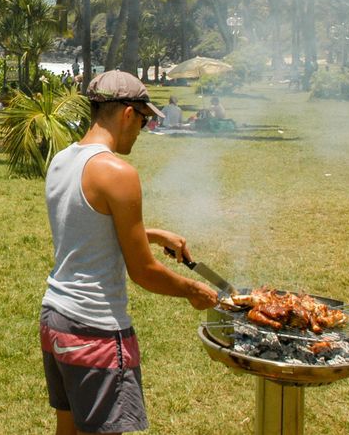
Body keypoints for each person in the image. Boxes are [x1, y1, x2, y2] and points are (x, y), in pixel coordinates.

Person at [40, 70, 217, 435]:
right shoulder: (118, 171)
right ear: (126, 113)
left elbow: (84, 227)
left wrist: (151, 234)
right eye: (144, 118)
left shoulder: (61, 160)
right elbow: (143, 272)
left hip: (56, 320)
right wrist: (192, 291)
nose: (143, 128)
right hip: (96, 331)